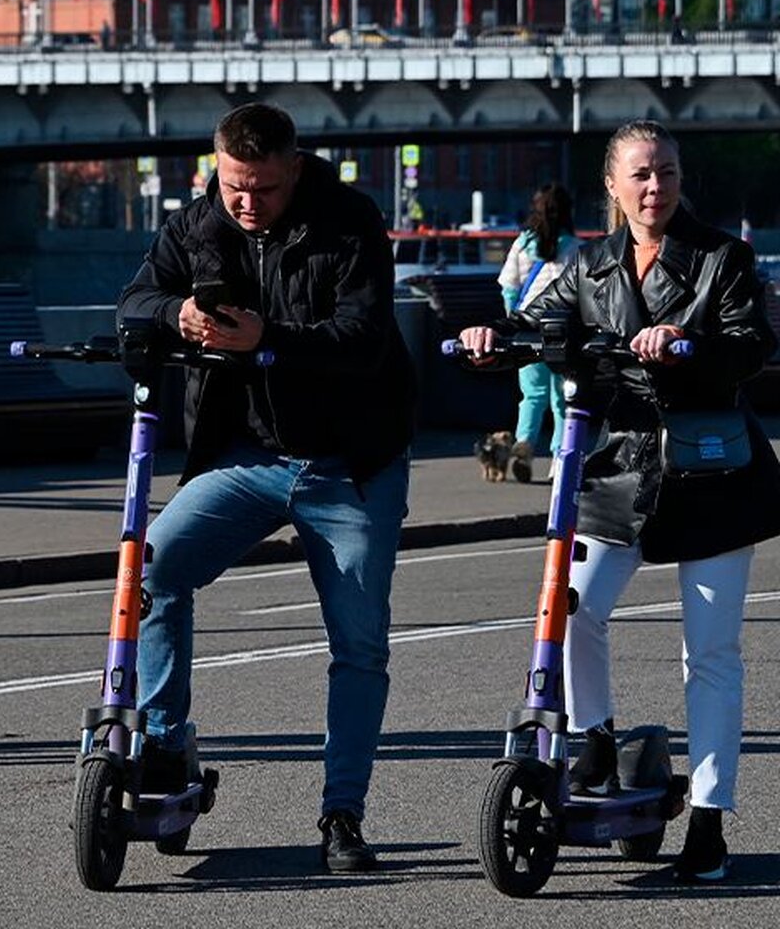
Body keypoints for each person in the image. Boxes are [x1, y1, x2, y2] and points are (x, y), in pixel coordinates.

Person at [459, 118, 780, 883]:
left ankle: (708, 821)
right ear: (611, 185)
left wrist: (684, 343)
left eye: (666, 172)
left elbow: (752, 345)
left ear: (679, 179)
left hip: (709, 471)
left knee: (710, 654)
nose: (654, 187)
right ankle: (595, 738)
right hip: (623, 467)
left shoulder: (720, 258)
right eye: (639, 174)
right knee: (569, 606)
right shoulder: (591, 263)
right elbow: (538, 324)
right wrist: (490, 338)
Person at [117, 102, 417, 873]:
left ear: (294, 167)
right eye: (233, 186)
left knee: (360, 644)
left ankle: (342, 814)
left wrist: (268, 341)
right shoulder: (195, 224)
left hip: (350, 465)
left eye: (264, 189)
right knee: (150, 571)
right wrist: (177, 311)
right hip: (244, 458)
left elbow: (364, 336)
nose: (246, 204)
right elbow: (134, 303)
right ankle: (163, 751)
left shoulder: (349, 221)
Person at [496, 182, 580, 481]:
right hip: (562, 333)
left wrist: (512, 321)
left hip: (525, 332)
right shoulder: (574, 248)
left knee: (531, 396)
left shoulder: (522, 243)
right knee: (561, 398)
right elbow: (578, 294)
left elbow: (509, 287)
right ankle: (560, 457)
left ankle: (524, 445)